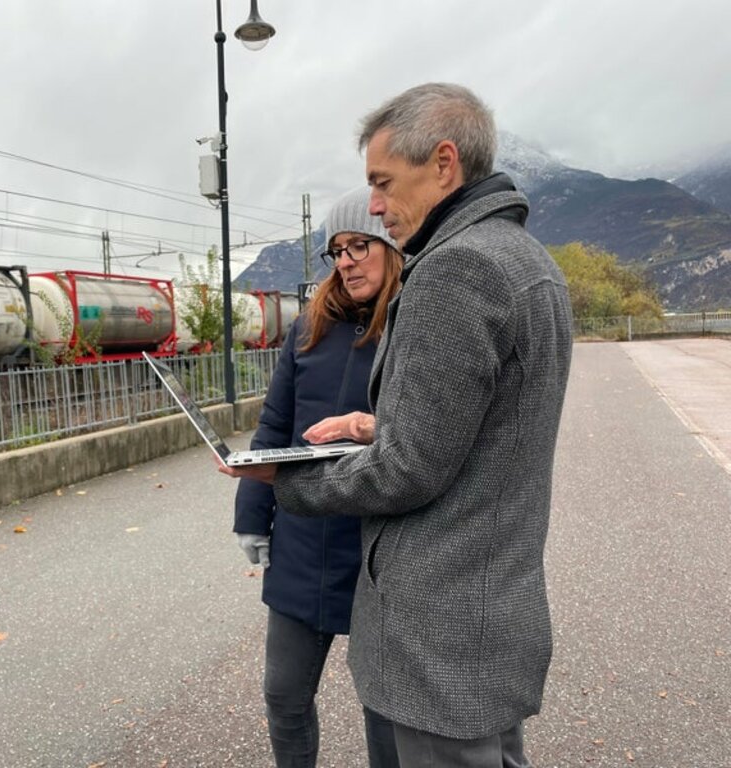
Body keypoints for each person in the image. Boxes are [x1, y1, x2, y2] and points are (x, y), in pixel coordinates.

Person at [221, 83, 574, 767]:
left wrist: (279, 477)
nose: (377, 206)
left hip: (439, 626)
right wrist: (380, 427)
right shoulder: (530, 262)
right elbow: (481, 437)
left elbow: (409, 469)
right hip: (490, 611)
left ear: (444, 164)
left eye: (382, 183)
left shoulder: (455, 271)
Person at [234, 186, 403, 768]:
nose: (348, 260)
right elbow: (275, 426)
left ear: (392, 247)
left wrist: (370, 427)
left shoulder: (413, 328)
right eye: (337, 250)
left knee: (384, 708)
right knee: (284, 694)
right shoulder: (308, 329)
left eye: (361, 244)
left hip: (380, 544)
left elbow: (430, 433)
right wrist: (252, 516)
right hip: (304, 538)